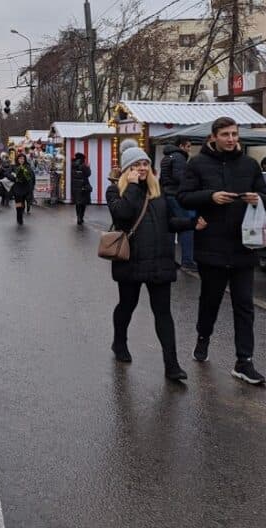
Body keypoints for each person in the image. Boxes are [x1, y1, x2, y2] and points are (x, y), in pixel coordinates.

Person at [178, 117, 266, 385]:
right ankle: (203, 337)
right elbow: (183, 196)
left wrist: (258, 199)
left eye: (234, 134)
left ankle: (245, 361)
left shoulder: (250, 164)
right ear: (214, 137)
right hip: (212, 246)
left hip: (244, 245)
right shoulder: (197, 164)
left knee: (244, 305)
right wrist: (211, 197)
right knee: (210, 301)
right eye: (225, 134)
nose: (231, 139)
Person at [107, 147, 205, 381]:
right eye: (136, 164)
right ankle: (119, 342)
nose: (141, 168)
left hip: (160, 261)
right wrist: (131, 186)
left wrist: (191, 224)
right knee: (127, 306)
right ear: (127, 168)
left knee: (163, 313)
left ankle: (171, 365)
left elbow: (169, 222)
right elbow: (122, 214)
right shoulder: (115, 191)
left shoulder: (157, 192)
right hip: (131, 261)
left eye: (145, 164)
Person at [159, 136, 196, 272]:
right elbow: (179, 177)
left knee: (170, 227)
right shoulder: (179, 157)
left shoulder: (166, 157)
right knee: (187, 226)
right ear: (181, 146)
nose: (189, 149)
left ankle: (169, 259)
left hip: (166, 194)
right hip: (176, 195)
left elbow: (163, 178)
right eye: (188, 146)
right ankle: (188, 260)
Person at [70, 152, 93, 226]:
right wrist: (88, 167)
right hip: (83, 186)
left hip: (75, 187)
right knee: (83, 203)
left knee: (78, 203)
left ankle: (78, 217)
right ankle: (81, 217)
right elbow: (88, 174)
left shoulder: (72, 165)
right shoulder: (84, 166)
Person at [10, 152, 34, 226]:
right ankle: (19, 216)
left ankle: (21, 211)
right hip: (17, 188)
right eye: (20, 159)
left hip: (25, 188)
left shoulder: (27, 167)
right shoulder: (14, 167)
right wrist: (14, 178)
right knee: (18, 203)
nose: (21, 160)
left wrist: (31, 186)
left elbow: (32, 177)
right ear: (17, 159)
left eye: (23, 159)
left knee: (22, 203)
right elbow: (7, 173)